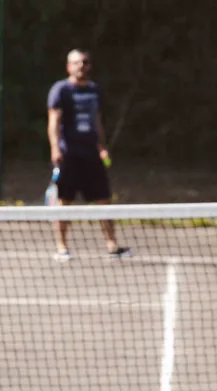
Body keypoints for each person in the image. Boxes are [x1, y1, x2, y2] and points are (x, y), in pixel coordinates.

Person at [47, 49, 131, 261]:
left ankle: (112, 246)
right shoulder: (61, 90)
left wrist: (101, 146)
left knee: (104, 200)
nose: (81, 66)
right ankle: (62, 247)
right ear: (68, 67)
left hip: (91, 156)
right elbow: (54, 122)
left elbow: (97, 121)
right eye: (76, 63)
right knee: (64, 203)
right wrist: (55, 149)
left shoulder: (94, 91)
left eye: (84, 63)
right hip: (69, 156)